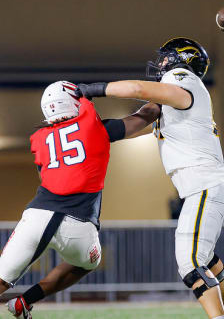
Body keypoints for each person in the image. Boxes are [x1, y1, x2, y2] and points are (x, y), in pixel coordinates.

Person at [78, 38, 224, 319]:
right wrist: (88, 131)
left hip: (205, 184)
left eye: (166, 58)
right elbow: (137, 122)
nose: (161, 63)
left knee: (190, 263)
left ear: (182, 62)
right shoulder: (174, 105)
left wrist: (91, 89)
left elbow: (139, 89)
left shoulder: (184, 80)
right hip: (206, 184)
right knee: (206, 257)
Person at [0, 81, 159, 318]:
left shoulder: (40, 139)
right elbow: (147, 115)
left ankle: (20, 301)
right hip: (78, 225)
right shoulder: (96, 129)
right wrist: (166, 92)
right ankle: (24, 301)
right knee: (87, 263)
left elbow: (47, 173)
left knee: (2, 280)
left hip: (37, 216)